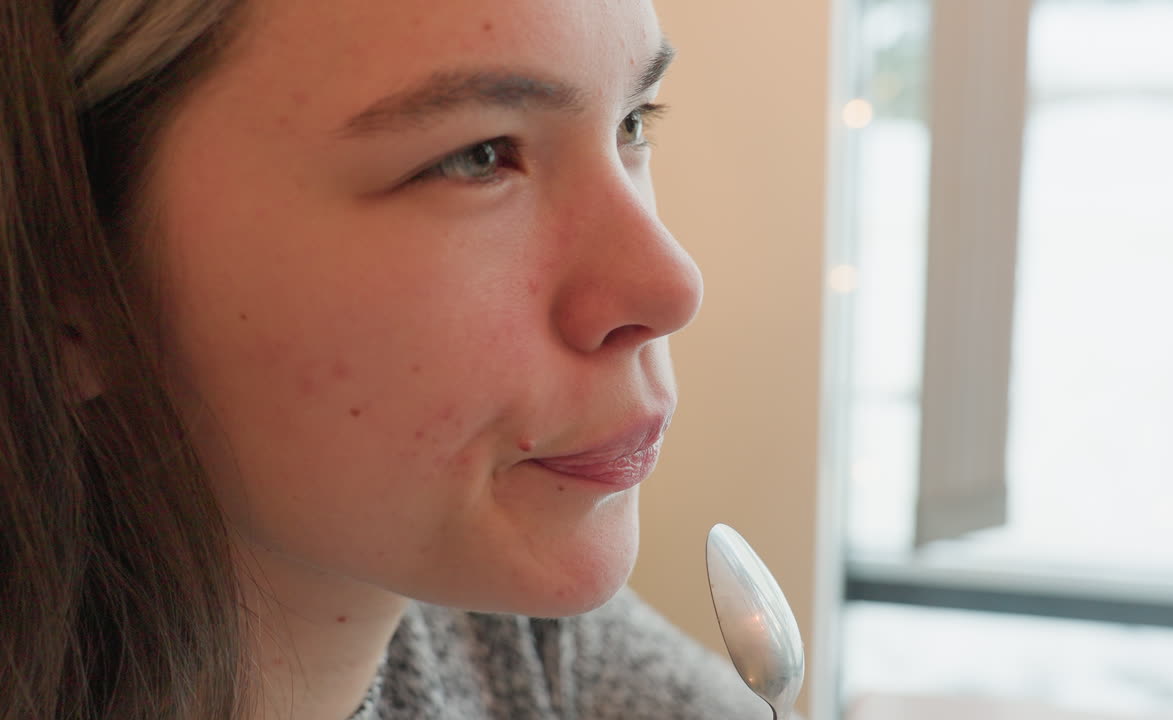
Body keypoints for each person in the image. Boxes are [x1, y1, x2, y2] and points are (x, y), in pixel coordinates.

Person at [0, 0, 774, 717]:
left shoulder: (531, 654)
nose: (673, 287)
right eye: (476, 157)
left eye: (633, 121)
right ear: (73, 300)